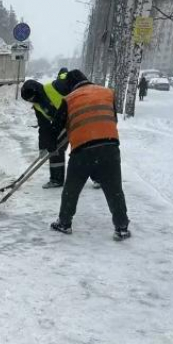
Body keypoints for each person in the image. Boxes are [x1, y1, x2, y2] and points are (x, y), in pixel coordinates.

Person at [47, 70, 131, 240]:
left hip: (82, 150)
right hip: (110, 146)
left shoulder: (69, 99)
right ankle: (121, 227)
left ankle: (64, 223)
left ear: (70, 85)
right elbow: (112, 118)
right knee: (114, 188)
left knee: (72, 188)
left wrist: (53, 144)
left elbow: (56, 127)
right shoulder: (107, 93)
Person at [20, 67, 69, 188]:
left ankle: (98, 178)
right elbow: (44, 127)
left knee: (84, 149)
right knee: (55, 148)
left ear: (36, 92)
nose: (32, 101)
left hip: (77, 116)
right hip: (63, 123)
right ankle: (56, 179)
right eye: (29, 101)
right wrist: (43, 147)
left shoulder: (54, 87)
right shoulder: (38, 106)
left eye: (32, 98)